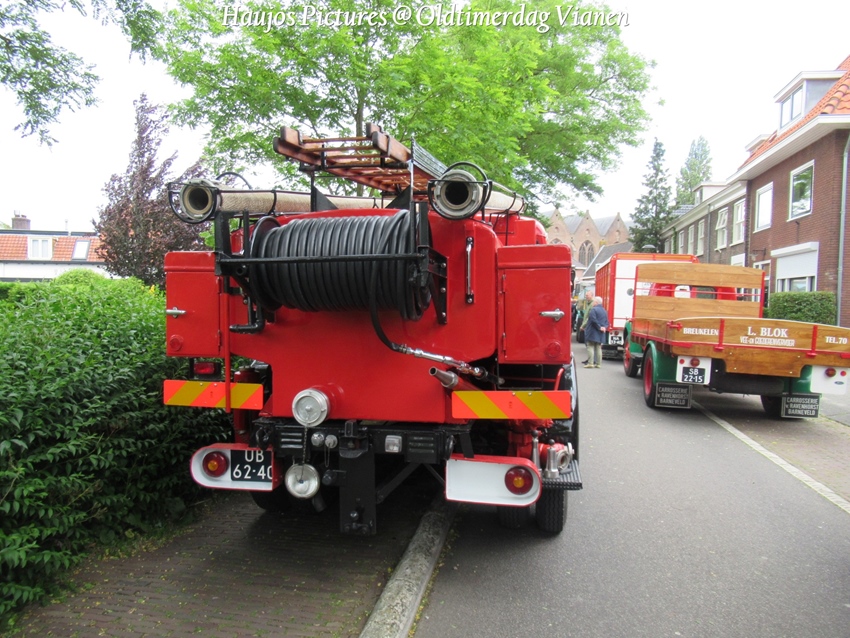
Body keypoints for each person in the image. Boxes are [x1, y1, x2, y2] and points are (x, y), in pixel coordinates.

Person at [583, 296, 609, 368]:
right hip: (601, 333)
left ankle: (590, 363)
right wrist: (604, 327)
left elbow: (593, 320)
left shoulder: (593, 310)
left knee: (590, 346)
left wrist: (599, 327)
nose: (592, 303)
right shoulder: (604, 311)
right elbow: (607, 322)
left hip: (592, 331)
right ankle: (598, 364)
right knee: (598, 347)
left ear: (596, 302)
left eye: (593, 302)